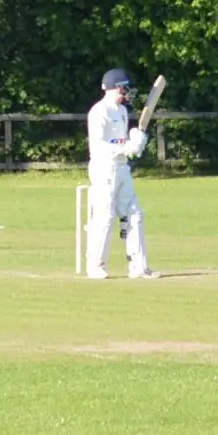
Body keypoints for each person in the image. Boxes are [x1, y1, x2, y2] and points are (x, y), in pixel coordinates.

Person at [85, 68, 157, 279]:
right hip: (103, 168)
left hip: (122, 168)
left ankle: (138, 267)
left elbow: (123, 142)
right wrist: (125, 148)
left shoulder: (122, 111)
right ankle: (95, 266)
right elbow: (98, 145)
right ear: (114, 88)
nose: (126, 93)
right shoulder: (99, 112)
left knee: (134, 214)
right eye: (124, 88)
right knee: (105, 216)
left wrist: (136, 142)